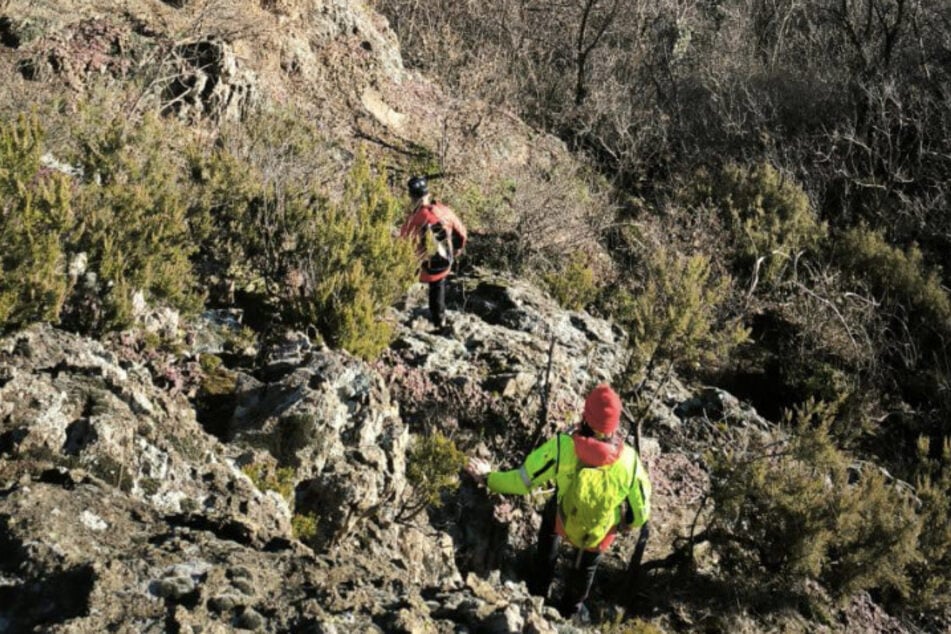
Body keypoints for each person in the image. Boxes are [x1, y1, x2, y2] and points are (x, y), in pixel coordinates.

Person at [466, 384, 651, 620]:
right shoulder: (629, 462)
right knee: (587, 567)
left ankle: (538, 591)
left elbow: (521, 482)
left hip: (563, 521)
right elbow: (641, 513)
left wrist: (487, 477)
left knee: (554, 511)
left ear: (587, 416)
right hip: (597, 534)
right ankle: (569, 612)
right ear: (614, 425)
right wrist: (625, 523)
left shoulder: (564, 447)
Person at [399, 175, 467, 330]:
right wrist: (456, 250)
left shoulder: (416, 218)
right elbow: (461, 233)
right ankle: (439, 320)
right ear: (428, 193)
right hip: (444, 263)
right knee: (437, 285)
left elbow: (403, 243)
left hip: (419, 268)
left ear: (411, 196)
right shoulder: (444, 210)